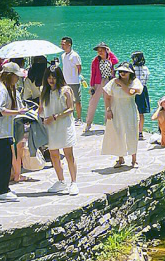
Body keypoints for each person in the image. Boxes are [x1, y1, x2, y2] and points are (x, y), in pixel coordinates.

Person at [0, 63, 26, 201]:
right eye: (16, 77)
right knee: (1, 160)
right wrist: (18, 112)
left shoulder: (5, 88)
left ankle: (3, 187)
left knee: (5, 159)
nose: (17, 79)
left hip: (4, 131)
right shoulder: (0, 89)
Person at [41, 65, 78, 194]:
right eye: (49, 78)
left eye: (54, 78)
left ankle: (73, 182)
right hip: (50, 127)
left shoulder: (66, 90)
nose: (51, 80)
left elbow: (70, 108)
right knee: (53, 155)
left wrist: (55, 117)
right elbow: (41, 109)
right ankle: (61, 180)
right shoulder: (44, 91)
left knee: (68, 154)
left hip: (64, 125)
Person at [101, 63, 141, 168]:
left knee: (132, 133)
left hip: (129, 111)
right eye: (121, 71)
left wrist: (121, 84)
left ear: (130, 72)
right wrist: (108, 109)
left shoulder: (134, 82)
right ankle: (120, 158)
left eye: (125, 72)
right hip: (116, 110)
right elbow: (107, 97)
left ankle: (134, 159)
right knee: (118, 133)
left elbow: (130, 93)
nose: (122, 73)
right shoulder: (112, 83)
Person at [84, 43, 117, 134]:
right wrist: (92, 86)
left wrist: (110, 53)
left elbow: (116, 61)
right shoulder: (95, 60)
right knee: (92, 103)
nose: (100, 52)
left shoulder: (110, 58)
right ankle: (88, 123)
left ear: (106, 50)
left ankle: (108, 123)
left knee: (108, 102)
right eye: (98, 51)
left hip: (109, 82)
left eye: (101, 50)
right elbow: (93, 74)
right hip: (98, 82)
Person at [60, 37, 83, 122]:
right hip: (65, 82)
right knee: (67, 100)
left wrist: (76, 76)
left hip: (74, 81)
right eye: (61, 44)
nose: (62, 46)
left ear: (69, 44)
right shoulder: (63, 55)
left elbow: (79, 68)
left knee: (77, 100)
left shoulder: (75, 55)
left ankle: (79, 118)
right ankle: (70, 117)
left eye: (63, 44)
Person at [131, 51, 150, 140]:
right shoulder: (146, 68)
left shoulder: (132, 68)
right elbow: (146, 79)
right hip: (143, 90)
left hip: (133, 90)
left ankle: (131, 131)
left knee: (131, 110)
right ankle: (140, 132)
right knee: (141, 112)